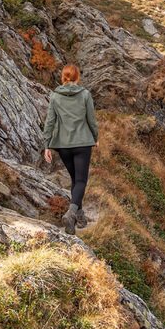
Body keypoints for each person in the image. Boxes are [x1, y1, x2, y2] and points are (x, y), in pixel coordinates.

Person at [43, 63, 98, 234]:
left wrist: (47, 145)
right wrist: (95, 138)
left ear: (63, 77)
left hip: (63, 145)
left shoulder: (55, 96)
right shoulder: (85, 95)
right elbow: (91, 120)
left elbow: (50, 121)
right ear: (77, 77)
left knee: (75, 180)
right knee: (81, 181)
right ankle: (72, 212)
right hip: (82, 143)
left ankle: (77, 218)